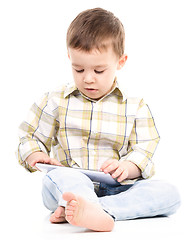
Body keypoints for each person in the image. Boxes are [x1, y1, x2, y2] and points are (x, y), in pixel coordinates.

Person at [16, 8, 181, 232]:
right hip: (68, 183)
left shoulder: (135, 106)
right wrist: (37, 155)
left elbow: (146, 148)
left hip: (117, 189)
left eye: (99, 70)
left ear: (120, 62)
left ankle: (91, 210)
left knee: (169, 194)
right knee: (59, 177)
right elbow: (29, 136)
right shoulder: (55, 100)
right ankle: (82, 205)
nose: (88, 78)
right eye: (79, 68)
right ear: (69, 58)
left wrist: (128, 167)